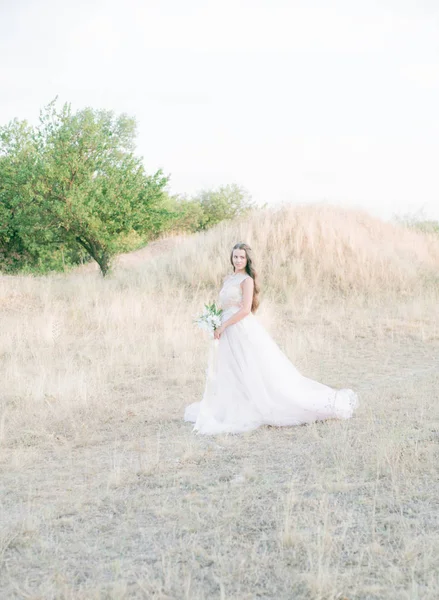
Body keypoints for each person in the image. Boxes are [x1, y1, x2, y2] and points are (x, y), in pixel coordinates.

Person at [184, 242, 359, 435]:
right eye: (235, 256)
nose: (238, 260)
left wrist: (224, 325)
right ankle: (234, 404)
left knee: (251, 366)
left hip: (239, 327)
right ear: (231, 258)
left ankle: (269, 403)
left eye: (242, 257)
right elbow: (225, 304)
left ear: (247, 259)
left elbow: (245, 309)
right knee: (230, 368)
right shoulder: (228, 279)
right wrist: (215, 321)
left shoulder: (246, 280)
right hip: (225, 328)